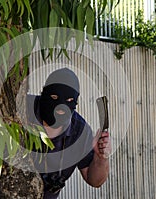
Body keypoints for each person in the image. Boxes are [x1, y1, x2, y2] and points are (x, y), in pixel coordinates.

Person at [27, 68, 111, 199]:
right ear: (43, 93)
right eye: (54, 98)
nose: (60, 107)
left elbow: (95, 181)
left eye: (69, 100)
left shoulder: (79, 131)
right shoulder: (23, 109)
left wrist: (100, 158)